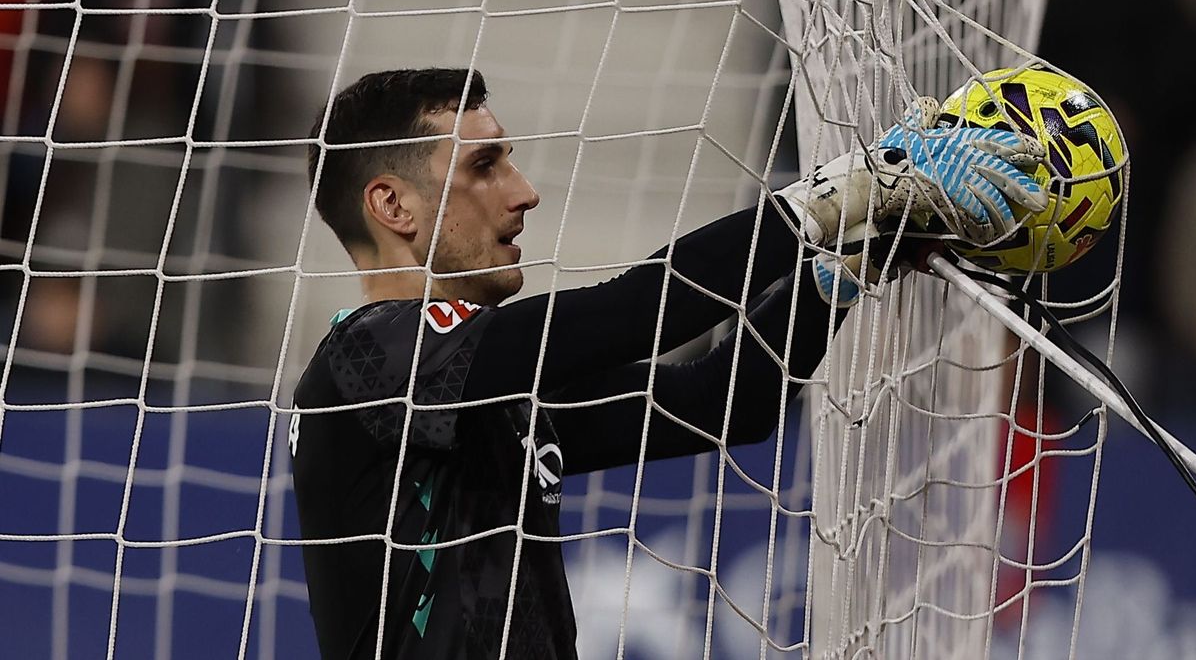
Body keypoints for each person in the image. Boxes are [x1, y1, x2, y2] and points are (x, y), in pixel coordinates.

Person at [289, 68, 1046, 660]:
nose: (524, 193)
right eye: (485, 165)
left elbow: (724, 404)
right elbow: (636, 313)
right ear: (392, 206)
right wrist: (841, 192)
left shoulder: (473, 386)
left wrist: (848, 266)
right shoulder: (371, 356)